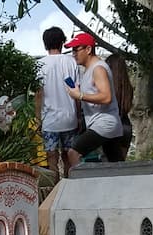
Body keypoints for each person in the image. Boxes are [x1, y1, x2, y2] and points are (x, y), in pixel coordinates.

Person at [63, 32, 123, 171]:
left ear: (88, 49)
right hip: (105, 124)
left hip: (104, 124)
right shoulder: (90, 70)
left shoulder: (98, 69)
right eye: (72, 50)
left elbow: (106, 97)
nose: (73, 54)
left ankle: (83, 186)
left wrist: (81, 95)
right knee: (117, 167)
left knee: (73, 152)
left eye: (76, 50)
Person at [35, 27, 80, 177]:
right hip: (69, 117)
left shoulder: (39, 65)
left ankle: (55, 189)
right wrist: (79, 115)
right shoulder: (71, 62)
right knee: (68, 155)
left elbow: (38, 94)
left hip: (49, 120)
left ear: (44, 44)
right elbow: (77, 90)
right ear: (62, 42)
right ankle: (69, 185)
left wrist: (37, 118)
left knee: (51, 158)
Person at [105, 53, 134, 161]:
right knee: (120, 166)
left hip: (111, 126)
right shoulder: (128, 87)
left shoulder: (107, 88)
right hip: (126, 126)